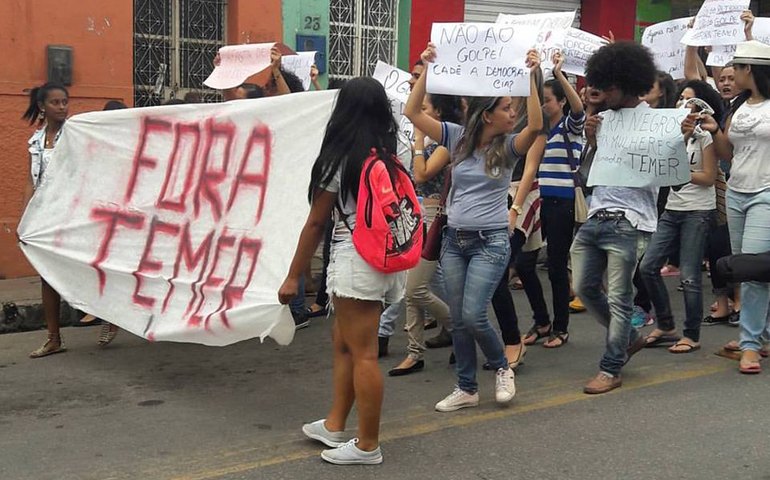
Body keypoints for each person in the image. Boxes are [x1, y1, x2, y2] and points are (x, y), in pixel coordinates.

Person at [405, 43, 543, 411]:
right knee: (461, 321)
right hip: (454, 241)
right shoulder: (456, 138)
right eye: (505, 107)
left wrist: (531, 76)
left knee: (472, 314)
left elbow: (538, 123)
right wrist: (428, 69)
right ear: (487, 115)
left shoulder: (511, 146)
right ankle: (466, 387)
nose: (512, 112)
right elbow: (412, 111)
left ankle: (501, 366)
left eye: (513, 107)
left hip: (491, 242)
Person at [278, 77, 406, 464]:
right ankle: (335, 424)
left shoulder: (341, 157)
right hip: (382, 257)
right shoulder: (388, 153)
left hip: (356, 259)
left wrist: (293, 275)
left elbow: (316, 222)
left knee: (363, 352)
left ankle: (368, 445)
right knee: (344, 341)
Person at [571, 42, 658, 394]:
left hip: (632, 219)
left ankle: (611, 368)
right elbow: (586, 176)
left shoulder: (656, 121)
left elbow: (670, 176)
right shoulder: (601, 120)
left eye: (610, 86)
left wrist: (676, 141)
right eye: (601, 84)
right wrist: (590, 142)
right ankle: (629, 338)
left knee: (621, 297)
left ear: (627, 82)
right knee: (584, 287)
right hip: (597, 213)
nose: (604, 92)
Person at [695, 40, 770, 374]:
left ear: (748, 69)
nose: (729, 74)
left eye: (735, 68)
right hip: (738, 193)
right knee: (749, 270)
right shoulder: (737, 105)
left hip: (766, 194)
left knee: (752, 271)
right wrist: (714, 131)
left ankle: (750, 344)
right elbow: (729, 154)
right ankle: (762, 333)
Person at [640, 81, 723, 354]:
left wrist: (678, 171)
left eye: (689, 100)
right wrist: (680, 141)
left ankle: (691, 334)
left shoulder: (705, 137)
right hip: (673, 209)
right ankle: (666, 324)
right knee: (648, 266)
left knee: (689, 275)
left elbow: (709, 177)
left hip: (697, 211)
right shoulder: (672, 135)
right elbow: (659, 169)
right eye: (681, 99)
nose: (682, 104)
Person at [388, 93, 462, 376]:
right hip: (416, 213)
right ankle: (414, 352)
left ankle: (462, 328)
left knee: (415, 288)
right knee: (411, 287)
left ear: (438, 112)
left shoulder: (447, 142)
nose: (418, 114)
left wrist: (418, 139)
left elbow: (421, 175)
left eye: (424, 109)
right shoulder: (432, 140)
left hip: (434, 217)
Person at [529, 50, 586, 348]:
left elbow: (578, 109)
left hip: (561, 202)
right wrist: (534, 71)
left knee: (555, 265)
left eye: (548, 99)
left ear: (560, 101)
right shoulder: (538, 130)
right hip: (539, 203)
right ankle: (541, 320)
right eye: (542, 99)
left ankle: (560, 328)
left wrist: (560, 75)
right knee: (526, 263)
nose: (543, 104)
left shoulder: (569, 127)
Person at [22, 83, 70, 358]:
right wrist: (25, 217)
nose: (62, 106)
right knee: (47, 275)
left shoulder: (74, 134)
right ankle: (53, 337)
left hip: (71, 212)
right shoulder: (36, 141)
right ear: (43, 106)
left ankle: (111, 320)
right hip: (45, 216)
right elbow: (31, 180)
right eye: (56, 102)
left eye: (65, 101)